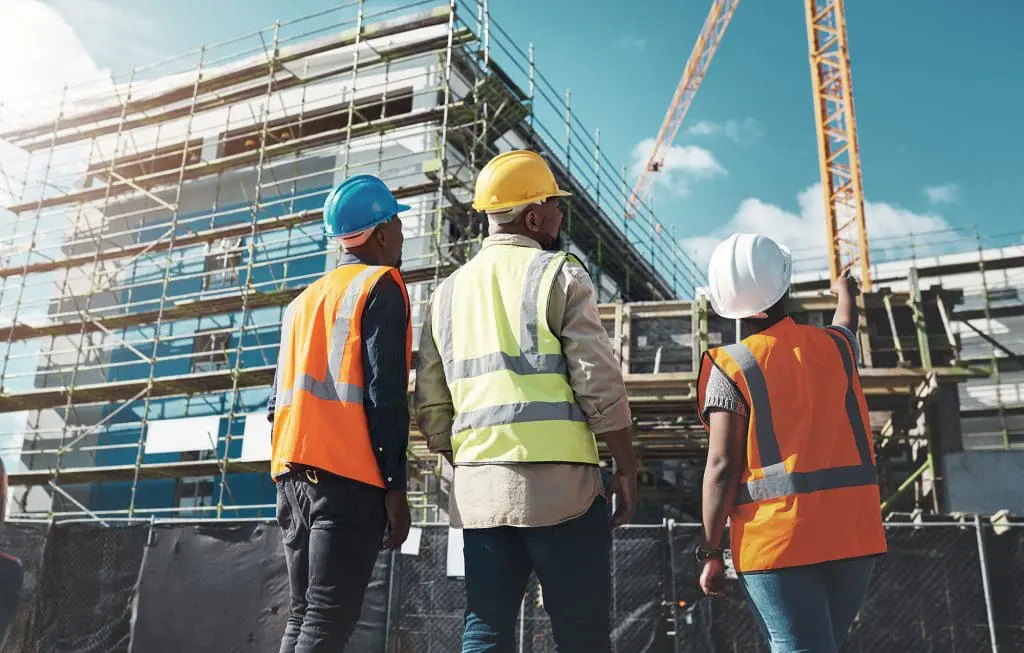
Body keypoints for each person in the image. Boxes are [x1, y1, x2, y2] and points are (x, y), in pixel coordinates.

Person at [415, 149, 639, 653]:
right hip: (563, 490)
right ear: (533, 216)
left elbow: (431, 403)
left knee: (485, 626)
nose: (562, 214)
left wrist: (471, 464)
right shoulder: (558, 273)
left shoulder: (446, 293)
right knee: (580, 632)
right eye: (556, 205)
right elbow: (598, 382)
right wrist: (625, 466)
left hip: (479, 492)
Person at [695, 233, 887, 653]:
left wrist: (708, 552)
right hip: (852, 534)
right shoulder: (835, 349)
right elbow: (845, 325)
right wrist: (845, 292)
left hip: (777, 542)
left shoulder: (732, 365)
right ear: (786, 286)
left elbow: (721, 468)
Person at [268, 175, 413, 653]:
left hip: (291, 480)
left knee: (302, 616)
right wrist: (396, 487)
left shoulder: (301, 303)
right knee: (327, 621)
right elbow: (384, 395)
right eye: (397, 221)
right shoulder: (381, 285)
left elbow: (276, 406)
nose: (402, 233)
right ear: (381, 232)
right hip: (348, 479)